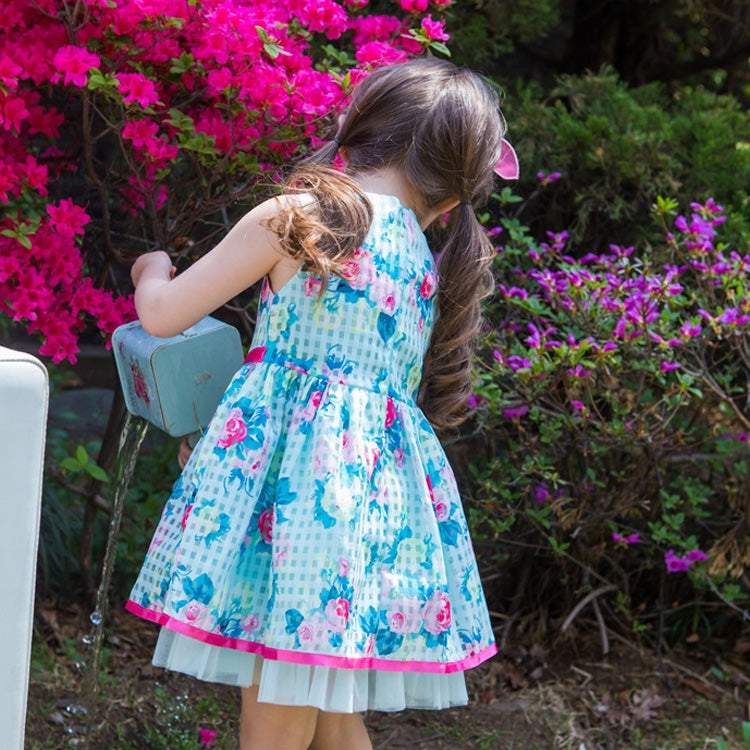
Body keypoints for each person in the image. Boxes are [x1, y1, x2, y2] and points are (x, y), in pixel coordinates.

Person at [126, 56, 517, 750]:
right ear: (449, 199)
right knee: (327, 705)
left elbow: (161, 315)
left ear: (356, 131)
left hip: (293, 512)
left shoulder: (298, 217)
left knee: (277, 705)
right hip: (364, 511)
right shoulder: (423, 262)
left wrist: (149, 268)